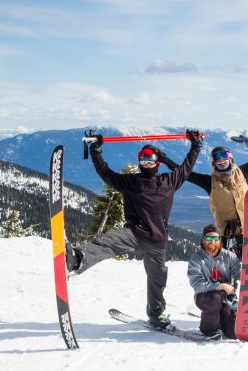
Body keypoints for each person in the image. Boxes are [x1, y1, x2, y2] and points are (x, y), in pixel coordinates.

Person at [66, 129, 202, 329]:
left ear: (157, 162)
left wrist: (195, 146)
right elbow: (106, 173)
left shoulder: (170, 180)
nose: (146, 163)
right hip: (134, 233)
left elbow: (187, 166)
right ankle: (78, 259)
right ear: (139, 163)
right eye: (143, 160)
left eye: (150, 160)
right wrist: (96, 152)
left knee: (157, 280)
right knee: (108, 241)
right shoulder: (130, 182)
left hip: (157, 240)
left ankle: (156, 315)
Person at [165, 128, 248, 256]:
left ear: (230, 158)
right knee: (227, 270)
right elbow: (184, 173)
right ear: (213, 162)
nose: (221, 160)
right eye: (217, 158)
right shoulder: (210, 182)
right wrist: (163, 159)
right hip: (226, 234)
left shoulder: (243, 172)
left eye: (224, 156)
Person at [186, 224, 240, 339]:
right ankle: (209, 330)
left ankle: (219, 320)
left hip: (226, 299)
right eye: (209, 238)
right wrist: (221, 286)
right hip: (205, 297)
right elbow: (197, 284)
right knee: (215, 298)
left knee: (234, 333)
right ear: (203, 240)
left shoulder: (230, 256)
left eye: (215, 238)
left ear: (220, 240)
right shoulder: (196, 259)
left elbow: (239, 274)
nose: (212, 241)